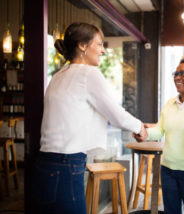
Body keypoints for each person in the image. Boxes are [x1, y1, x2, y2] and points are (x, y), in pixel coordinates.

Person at [31, 22, 147, 214]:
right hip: (66, 166)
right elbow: (115, 114)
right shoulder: (87, 73)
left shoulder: (58, 75)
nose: (103, 51)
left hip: (45, 165)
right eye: (99, 44)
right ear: (82, 46)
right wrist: (140, 127)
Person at [135, 56, 184, 214]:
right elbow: (160, 130)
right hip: (167, 168)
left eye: (183, 73)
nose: (177, 77)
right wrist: (145, 134)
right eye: (176, 73)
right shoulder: (169, 103)